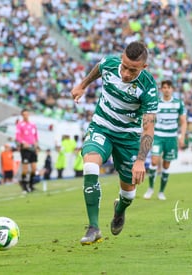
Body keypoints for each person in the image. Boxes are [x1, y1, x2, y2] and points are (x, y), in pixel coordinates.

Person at [71, 41, 158, 245]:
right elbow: (98, 69)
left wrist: (140, 161)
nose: (126, 73)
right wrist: (82, 85)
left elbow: (148, 128)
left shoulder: (148, 87)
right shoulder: (110, 64)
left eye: (133, 70)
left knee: (129, 193)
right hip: (101, 126)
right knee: (91, 165)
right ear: (121, 59)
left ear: (144, 68)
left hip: (127, 137)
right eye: (125, 66)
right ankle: (93, 227)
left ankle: (120, 209)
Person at [143, 80, 187, 200]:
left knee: (166, 165)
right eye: (164, 87)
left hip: (172, 138)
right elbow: (149, 119)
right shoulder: (156, 103)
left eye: (169, 87)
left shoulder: (178, 103)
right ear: (161, 89)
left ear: (172, 89)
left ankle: (161, 191)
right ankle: (151, 188)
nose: (167, 89)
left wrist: (182, 136)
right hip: (158, 136)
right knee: (154, 161)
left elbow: (183, 122)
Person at [15, 109, 39, 193]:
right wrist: (23, 143)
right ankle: (24, 185)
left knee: (34, 168)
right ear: (22, 115)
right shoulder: (20, 125)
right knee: (25, 168)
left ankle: (31, 185)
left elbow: (36, 136)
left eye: (27, 114)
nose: (26, 116)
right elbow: (18, 136)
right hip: (25, 149)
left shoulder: (33, 125)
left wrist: (36, 145)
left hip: (32, 148)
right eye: (24, 114)